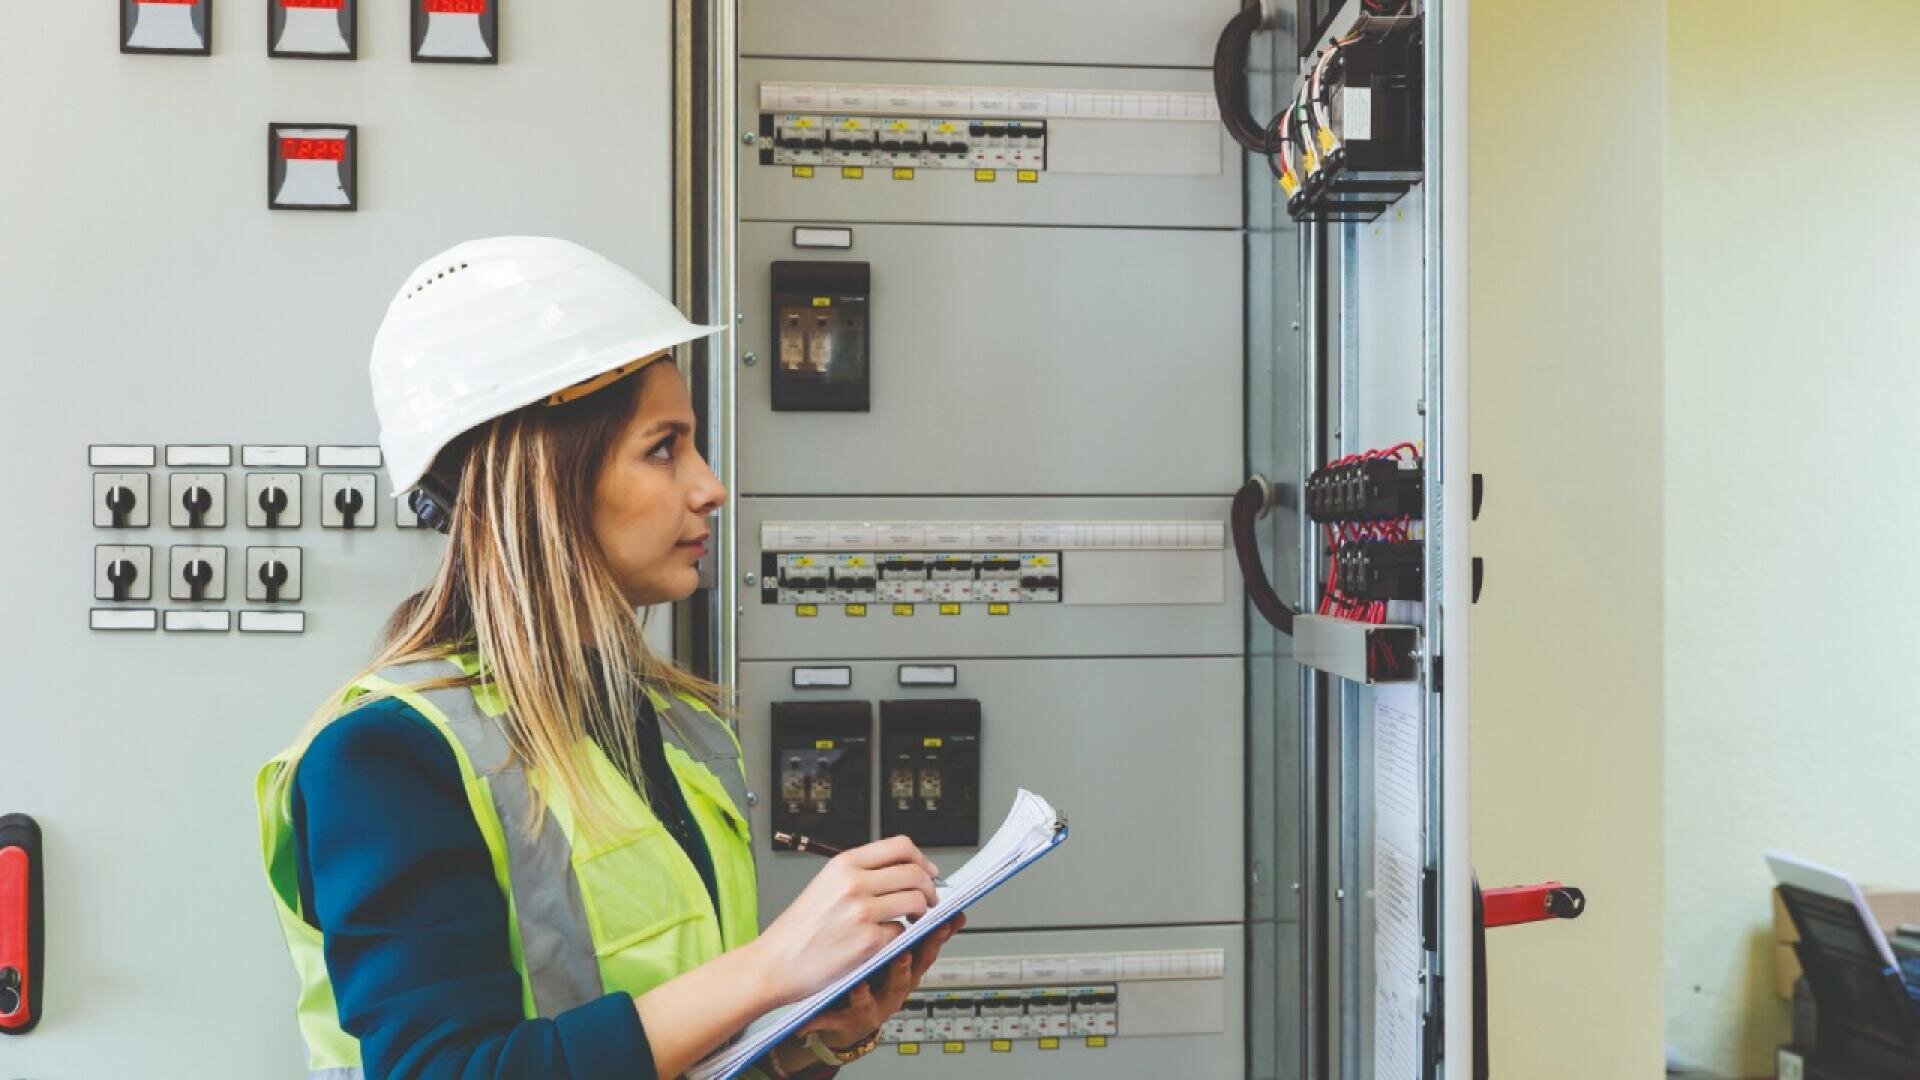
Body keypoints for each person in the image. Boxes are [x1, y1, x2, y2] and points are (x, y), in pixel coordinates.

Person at [254, 236, 960, 1079]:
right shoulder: (387, 758)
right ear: (549, 480)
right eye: (664, 448)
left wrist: (809, 1042)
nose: (710, 487)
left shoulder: (682, 729)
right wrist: (768, 971)